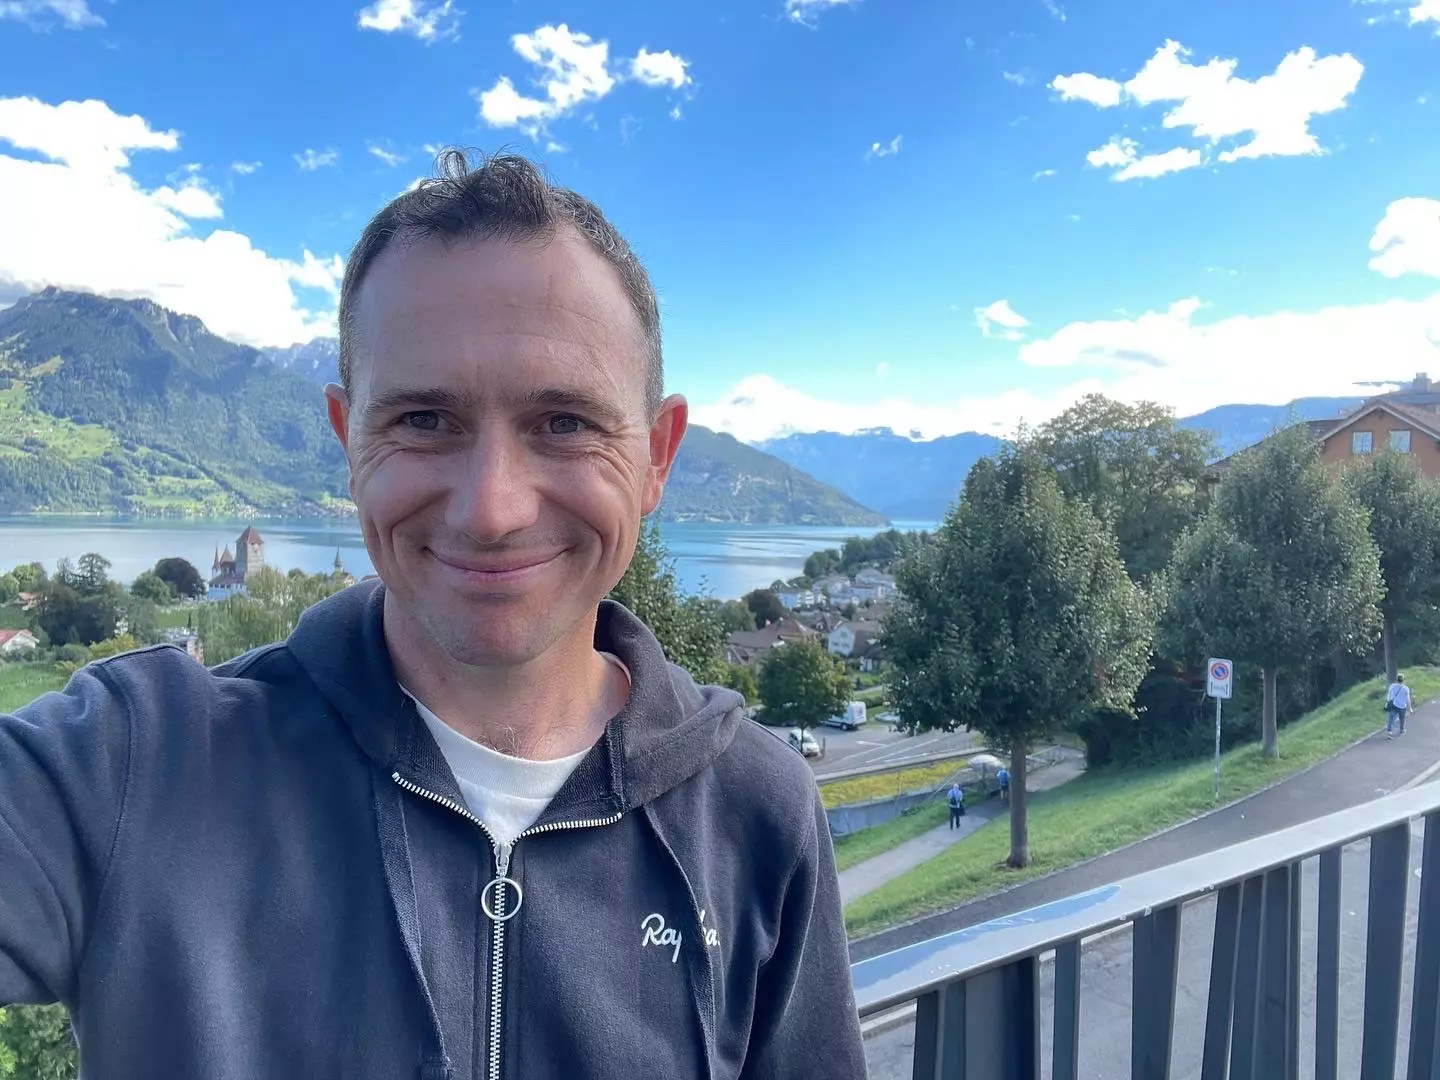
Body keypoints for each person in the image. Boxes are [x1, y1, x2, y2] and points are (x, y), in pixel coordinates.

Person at [0, 151, 867, 1080]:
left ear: (656, 455)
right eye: (423, 420)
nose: (491, 510)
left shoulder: (757, 813)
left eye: (565, 423)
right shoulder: (137, 766)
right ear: (350, 441)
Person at [1387, 672, 1413, 739]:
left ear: (1396, 679)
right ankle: (1402, 730)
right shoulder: (1405, 688)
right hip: (1402, 706)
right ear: (1403, 680)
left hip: (1393, 705)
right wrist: (1410, 708)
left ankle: (1390, 732)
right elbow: (1408, 699)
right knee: (1402, 719)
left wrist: (1388, 702)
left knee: (1391, 719)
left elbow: (1389, 695)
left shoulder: (1392, 686)